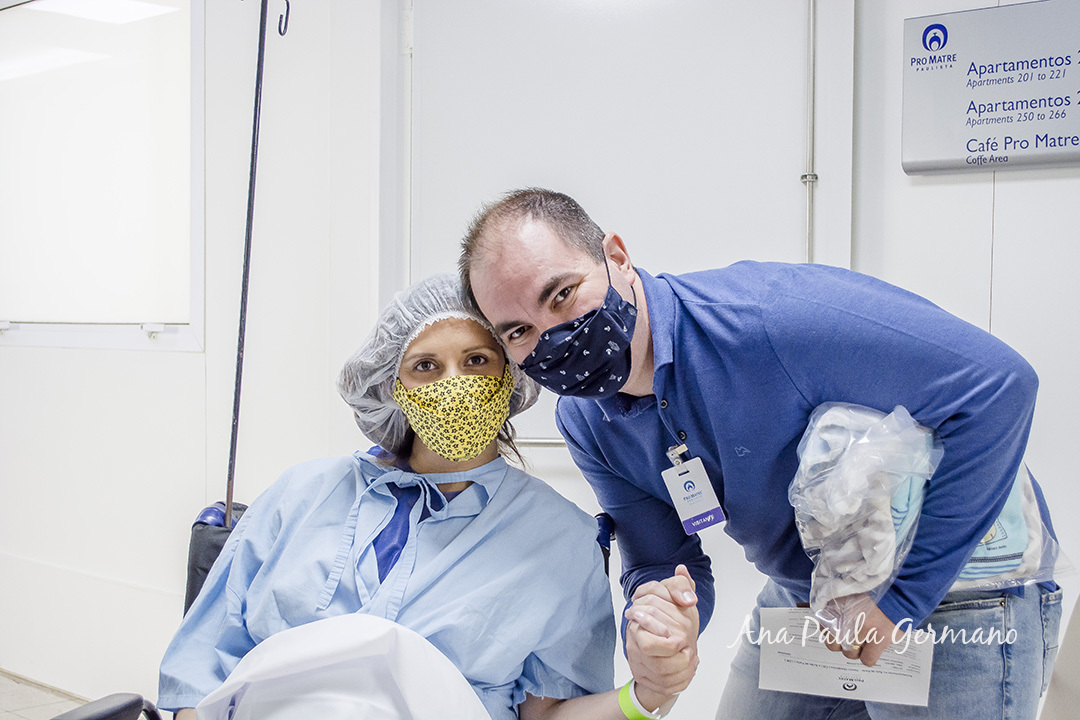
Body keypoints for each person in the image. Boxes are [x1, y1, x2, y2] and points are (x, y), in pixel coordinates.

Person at [459, 188, 1062, 720]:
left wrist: (901, 600)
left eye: (562, 295)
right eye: (517, 331)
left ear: (616, 256)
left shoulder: (771, 320)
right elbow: (663, 560)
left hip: (963, 585)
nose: (552, 337)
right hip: (813, 591)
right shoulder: (588, 418)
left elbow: (1002, 386)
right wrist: (659, 617)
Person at [157, 273, 686, 720]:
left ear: (511, 376)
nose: (453, 384)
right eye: (426, 366)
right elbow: (200, 671)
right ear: (393, 387)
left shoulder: (562, 542)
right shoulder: (301, 494)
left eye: (477, 361)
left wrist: (645, 695)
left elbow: (544, 715)